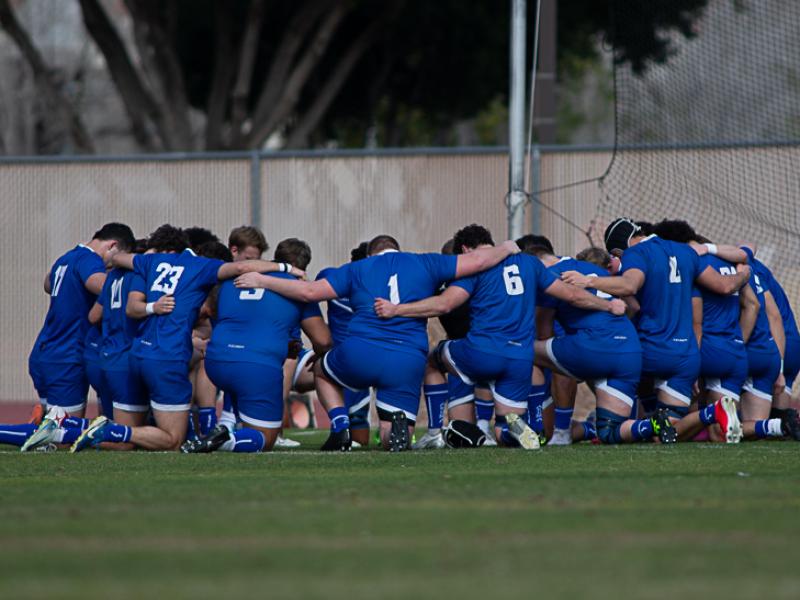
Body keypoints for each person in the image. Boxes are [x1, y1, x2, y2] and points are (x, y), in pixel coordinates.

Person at [234, 232, 520, 452]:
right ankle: (394, 427)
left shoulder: (357, 269)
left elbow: (309, 292)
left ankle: (339, 423)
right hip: (407, 359)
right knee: (392, 438)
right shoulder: (425, 262)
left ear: (371, 253)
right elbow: (479, 261)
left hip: (361, 352)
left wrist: (264, 280)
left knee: (321, 369)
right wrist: (506, 247)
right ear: (398, 247)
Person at [374, 225, 626, 450]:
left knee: (433, 360)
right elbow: (571, 295)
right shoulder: (530, 264)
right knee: (502, 428)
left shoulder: (474, 268)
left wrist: (397, 310)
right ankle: (511, 431)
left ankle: (434, 433)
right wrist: (608, 306)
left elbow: (444, 305)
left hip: (482, 351)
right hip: (519, 358)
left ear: (465, 249)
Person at [71, 224, 304, 453]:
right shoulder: (199, 266)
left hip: (136, 354)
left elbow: (118, 259)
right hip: (166, 357)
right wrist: (285, 268)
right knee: (173, 440)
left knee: (127, 443)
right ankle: (108, 431)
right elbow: (241, 267)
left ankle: (69, 429)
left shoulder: (149, 261)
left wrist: (146, 260)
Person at [563, 218, 751, 443]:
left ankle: (604, 424)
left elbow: (630, 285)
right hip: (685, 357)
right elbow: (725, 285)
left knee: (611, 372)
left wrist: (589, 281)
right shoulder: (685, 251)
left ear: (618, 249)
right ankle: (713, 412)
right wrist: (744, 275)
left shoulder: (636, 253)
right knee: (664, 434)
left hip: (651, 352)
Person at [182, 239, 331, 453]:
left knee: (239, 380)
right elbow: (323, 340)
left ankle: (218, 427)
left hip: (217, 360)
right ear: (302, 267)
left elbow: (205, 311)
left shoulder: (234, 279)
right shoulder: (299, 288)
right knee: (265, 438)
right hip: (257, 364)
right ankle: (225, 439)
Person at [533, 246, 659, 444]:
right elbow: (633, 306)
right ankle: (651, 425)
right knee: (609, 432)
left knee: (529, 351)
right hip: (629, 348)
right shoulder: (596, 270)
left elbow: (544, 333)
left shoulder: (548, 276)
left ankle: (554, 430)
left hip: (595, 345)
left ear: (536, 263)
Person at [315, 241, 374, 447]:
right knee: (355, 426)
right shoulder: (374, 288)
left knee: (360, 437)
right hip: (354, 358)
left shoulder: (331, 277)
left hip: (347, 359)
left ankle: (341, 427)